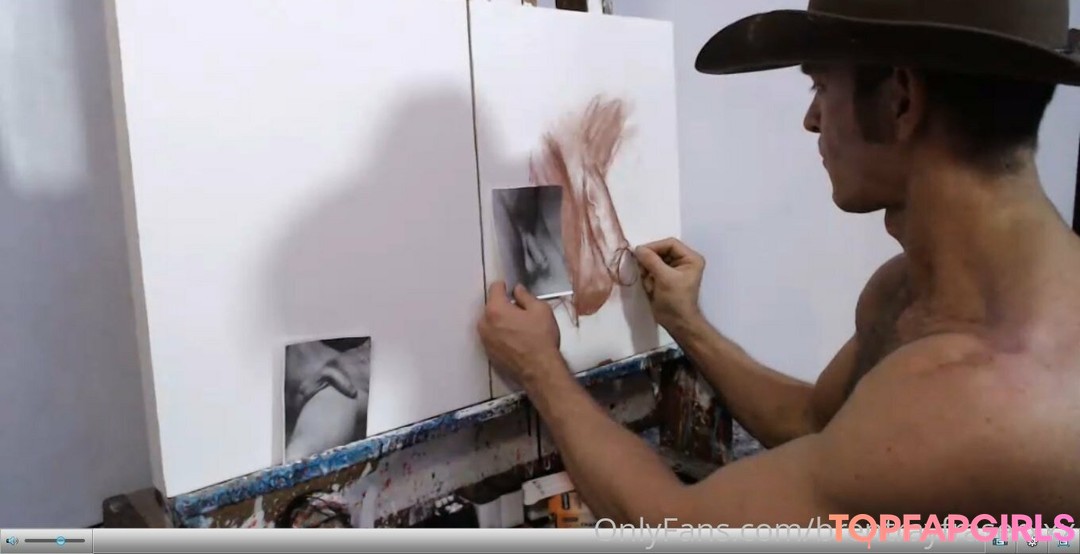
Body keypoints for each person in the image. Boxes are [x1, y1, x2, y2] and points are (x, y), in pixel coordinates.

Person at [477, 0, 1080, 523]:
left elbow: (680, 527)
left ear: (900, 101)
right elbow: (814, 422)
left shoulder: (982, 400)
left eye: (820, 86)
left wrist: (542, 370)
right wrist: (686, 323)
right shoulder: (905, 291)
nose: (811, 119)